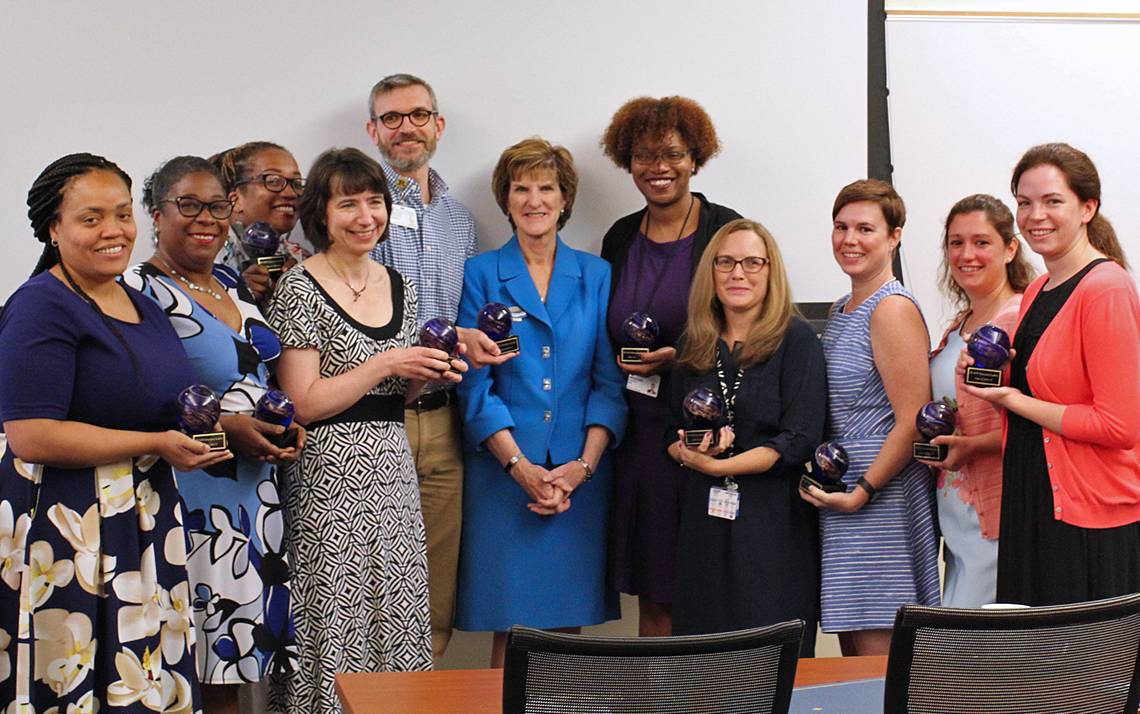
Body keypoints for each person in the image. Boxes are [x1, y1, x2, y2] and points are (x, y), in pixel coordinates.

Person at [0, 153, 232, 712]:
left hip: (144, 521)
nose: (114, 231)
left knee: (141, 679)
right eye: (91, 218)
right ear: (53, 229)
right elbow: (31, 435)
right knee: (71, 683)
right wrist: (153, 444)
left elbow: (154, 404)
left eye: (123, 214)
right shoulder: (40, 306)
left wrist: (214, 429)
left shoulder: (140, 304)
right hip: (68, 525)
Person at [268, 147, 466, 713]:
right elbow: (303, 402)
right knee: (334, 612)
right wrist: (387, 362)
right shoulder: (299, 288)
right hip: (327, 477)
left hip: (393, 470)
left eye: (374, 202)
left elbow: (393, 394)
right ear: (322, 215)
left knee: (401, 609)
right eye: (347, 203)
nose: (365, 216)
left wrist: (428, 371)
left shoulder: (397, 282)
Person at [125, 155, 304, 713]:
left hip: (255, 492)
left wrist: (282, 426)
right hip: (196, 494)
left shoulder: (232, 283)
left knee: (242, 660)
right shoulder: (140, 291)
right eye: (188, 205)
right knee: (204, 664)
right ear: (156, 214)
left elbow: (253, 375)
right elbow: (141, 398)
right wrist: (231, 428)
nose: (206, 218)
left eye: (217, 206)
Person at [454, 137, 626, 668]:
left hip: (580, 476)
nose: (534, 200)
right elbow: (473, 385)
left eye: (546, 187)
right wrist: (520, 467)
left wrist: (581, 468)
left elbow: (608, 383)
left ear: (565, 199)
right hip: (505, 476)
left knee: (565, 636)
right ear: (505, 200)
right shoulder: (481, 273)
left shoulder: (596, 274)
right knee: (514, 630)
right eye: (521, 188)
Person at [364, 73, 506, 659]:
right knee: (379, 590)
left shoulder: (459, 219)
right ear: (372, 130)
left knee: (435, 591)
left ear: (438, 126)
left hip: (445, 419)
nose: (406, 128)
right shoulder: (357, 210)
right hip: (376, 421)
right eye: (391, 118)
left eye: (418, 115)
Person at [962, 143, 1140, 606]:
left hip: (1088, 519)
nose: (1035, 215)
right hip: (1032, 504)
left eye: (1052, 201)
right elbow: (1043, 383)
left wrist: (1012, 400)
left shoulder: (1106, 288)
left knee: (1088, 679)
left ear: (1088, 207)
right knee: (1035, 674)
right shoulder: (1039, 287)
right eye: (1024, 202)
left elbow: (1119, 426)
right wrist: (988, 372)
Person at [599, 95, 741, 636]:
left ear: (695, 158)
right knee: (653, 588)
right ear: (626, 160)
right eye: (643, 155)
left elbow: (752, 332)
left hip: (706, 435)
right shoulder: (619, 236)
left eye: (673, 154)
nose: (658, 167)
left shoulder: (725, 231)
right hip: (637, 439)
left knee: (705, 585)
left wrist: (679, 359)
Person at [664, 219, 825, 656]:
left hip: (773, 523)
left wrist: (721, 465)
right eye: (727, 262)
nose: (739, 273)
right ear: (710, 271)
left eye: (753, 262)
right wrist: (688, 450)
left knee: (770, 656)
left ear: (771, 272)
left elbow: (801, 437)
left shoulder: (797, 339)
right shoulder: (693, 343)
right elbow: (669, 435)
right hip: (704, 524)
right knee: (703, 658)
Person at [800, 179, 939, 656]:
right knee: (851, 658)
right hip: (845, 498)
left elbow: (912, 419)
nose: (849, 240)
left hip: (881, 499)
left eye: (865, 228)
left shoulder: (891, 308)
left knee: (878, 664)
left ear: (895, 237)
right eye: (841, 227)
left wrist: (863, 492)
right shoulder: (844, 307)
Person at [918, 195, 1033, 607]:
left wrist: (973, 446)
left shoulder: (1023, 320)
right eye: (955, 242)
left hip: (1000, 512)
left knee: (980, 647)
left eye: (981, 242)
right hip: (956, 517)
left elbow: (1040, 427)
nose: (966, 254)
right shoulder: (958, 325)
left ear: (1010, 248)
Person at [211, 141, 310, 302]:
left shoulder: (302, 259)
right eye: (273, 181)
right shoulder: (205, 257)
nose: (291, 193)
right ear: (235, 200)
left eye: (297, 183)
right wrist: (237, 297)